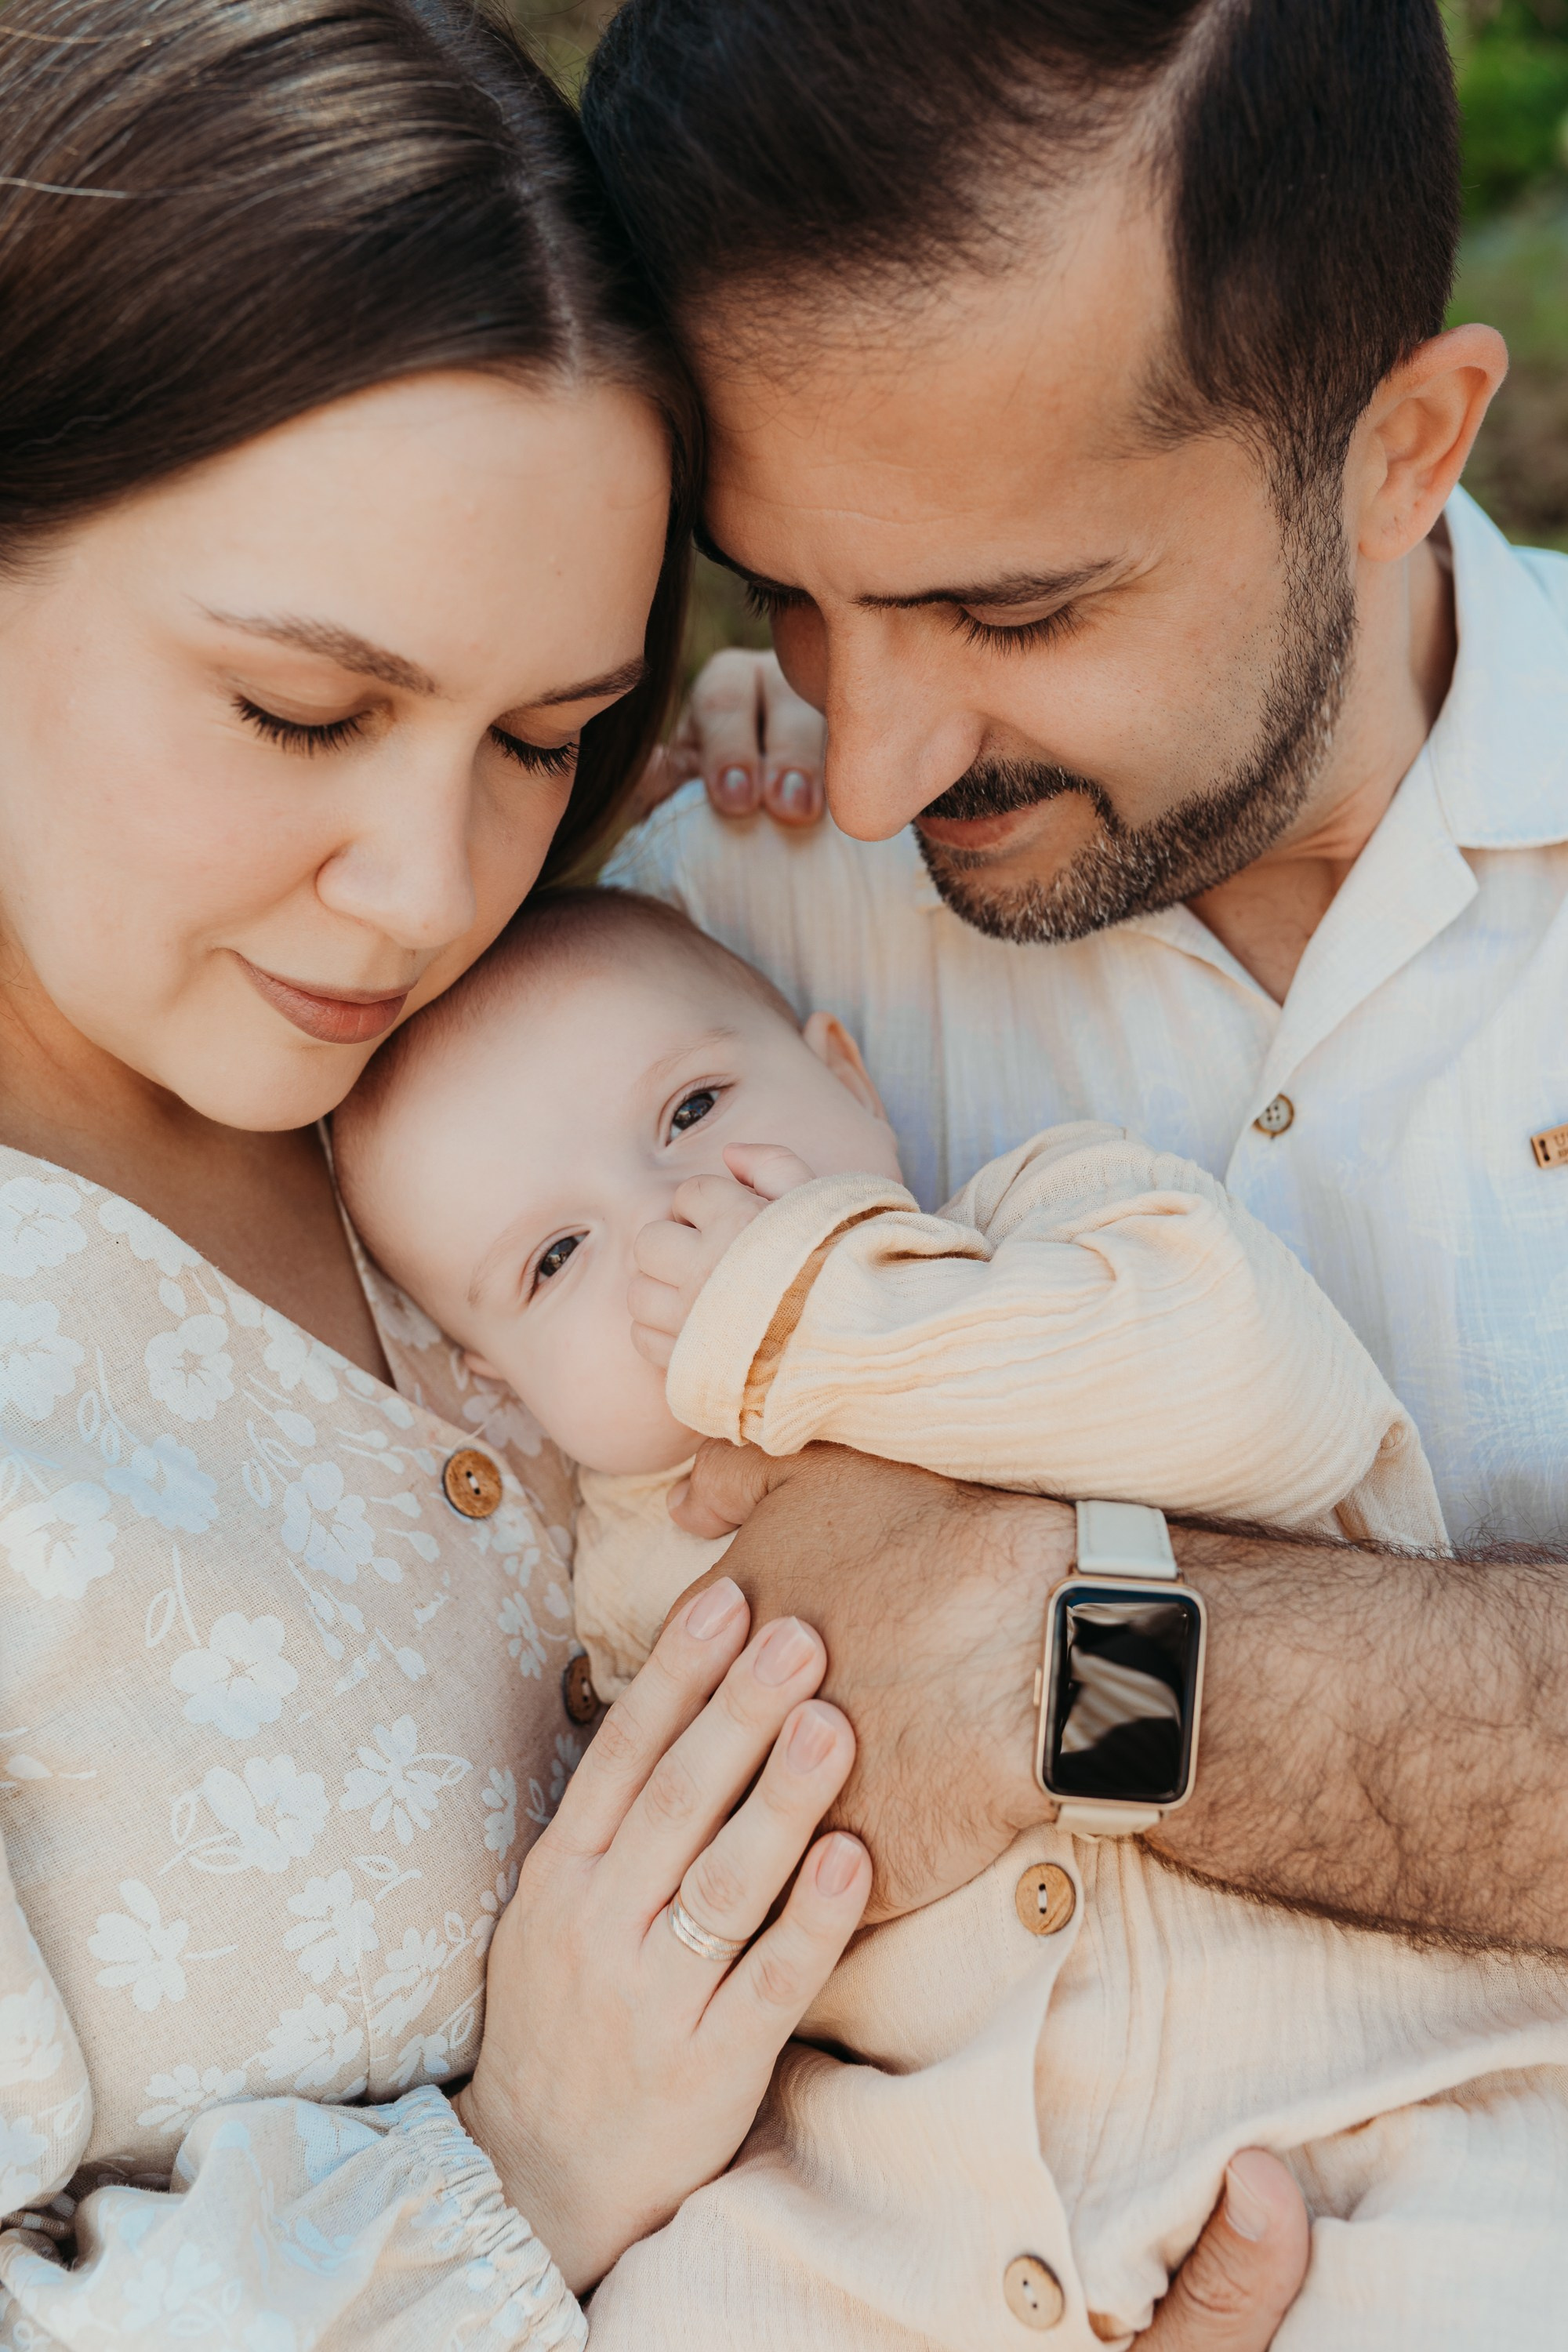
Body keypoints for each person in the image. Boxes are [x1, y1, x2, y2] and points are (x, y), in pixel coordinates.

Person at [576, 0, 1568, 2333]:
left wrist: (1075, 1664)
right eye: (787, 599)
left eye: (1010, 607)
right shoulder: (694, 961)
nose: (877, 761)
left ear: (1402, 448)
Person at [0, 5, 883, 2343]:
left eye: (541, 733)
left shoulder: (578, 993)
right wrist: (529, 2170)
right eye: (305, 711)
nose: (422, 886)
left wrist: (791, 787)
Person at [329, 881, 1568, 2349]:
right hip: (914, 2230)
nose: (670, 1221)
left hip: (1358, 2112)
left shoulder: (1055, 1230)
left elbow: (1264, 1402)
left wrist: (820, 1320)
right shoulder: (612, 1605)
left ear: (847, 1074)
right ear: (505, 1389)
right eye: (555, 1260)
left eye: (694, 1109)